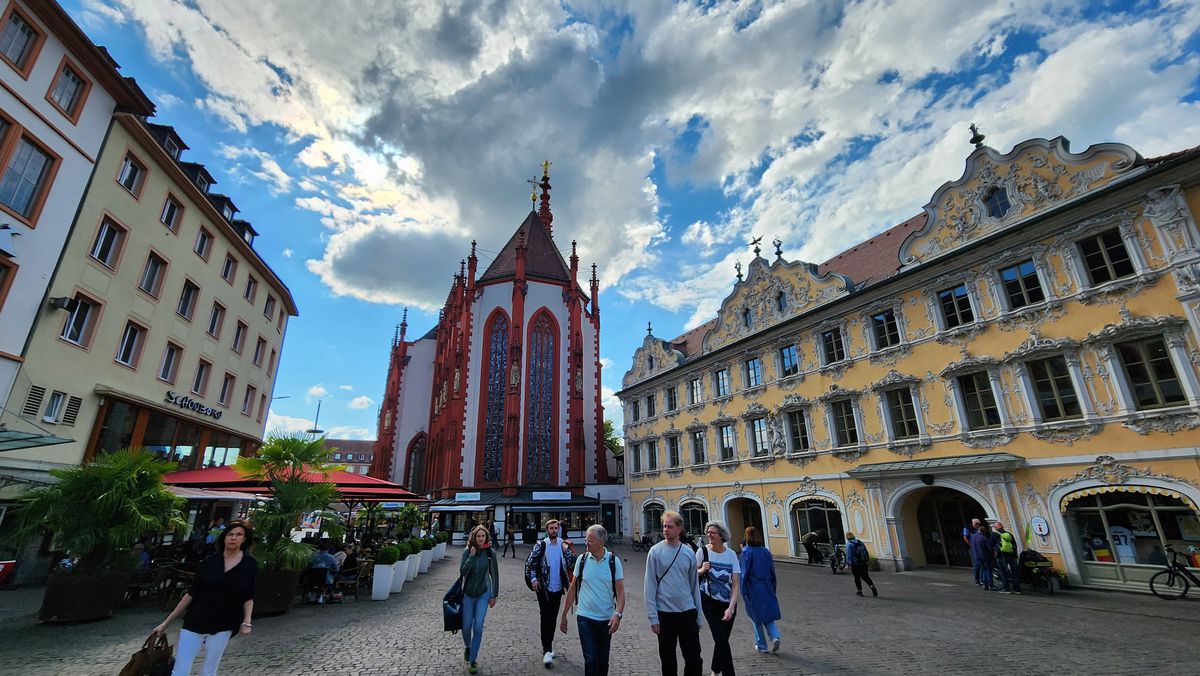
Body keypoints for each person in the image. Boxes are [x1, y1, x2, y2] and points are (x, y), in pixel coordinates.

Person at [154, 519, 256, 676]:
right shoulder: (210, 561)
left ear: (245, 539)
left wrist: (247, 622)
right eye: (230, 534)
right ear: (224, 537)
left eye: (238, 534)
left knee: (209, 670)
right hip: (196, 619)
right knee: (180, 671)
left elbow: (248, 595)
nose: (233, 538)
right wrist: (166, 623)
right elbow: (191, 593)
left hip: (224, 622)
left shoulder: (249, 564)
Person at [559, 524, 625, 676]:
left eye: (590, 540)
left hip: (606, 619)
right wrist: (563, 615)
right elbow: (573, 588)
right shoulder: (582, 560)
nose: (586, 543)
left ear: (601, 542)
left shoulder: (614, 562)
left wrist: (618, 614)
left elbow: (621, 592)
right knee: (591, 660)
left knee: (603, 661)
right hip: (585, 617)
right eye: (586, 539)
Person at [644, 510, 704, 676]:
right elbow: (649, 586)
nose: (666, 530)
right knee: (668, 661)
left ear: (679, 529)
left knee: (694, 659)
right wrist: (652, 616)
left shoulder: (688, 553)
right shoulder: (655, 552)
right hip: (665, 614)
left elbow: (694, 586)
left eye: (669, 526)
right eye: (664, 526)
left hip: (687, 612)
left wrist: (699, 615)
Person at [526, 519, 576, 668]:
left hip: (558, 588)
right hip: (543, 588)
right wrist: (534, 579)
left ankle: (549, 646)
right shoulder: (541, 545)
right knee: (545, 616)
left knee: (553, 617)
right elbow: (530, 563)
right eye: (551, 528)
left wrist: (567, 550)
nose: (554, 530)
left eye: (556, 528)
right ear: (547, 530)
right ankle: (546, 649)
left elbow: (572, 564)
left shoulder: (562, 545)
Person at [697, 521, 739, 676]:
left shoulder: (731, 555)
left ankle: (715, 670)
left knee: (722, 640)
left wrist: (731, 607)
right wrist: (701, 570)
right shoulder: (702, 552)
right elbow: (690, 574)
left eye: (712, 532)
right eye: (707, 532)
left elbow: (735, 585)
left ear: (721, 536)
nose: (709, 535)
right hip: (708, 600)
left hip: (728, 603)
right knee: (721, 639)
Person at [459, 524, 499, 675]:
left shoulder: (490, 553)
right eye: (478, 536)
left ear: (486, 537)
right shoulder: (468, 551)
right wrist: (471, 555)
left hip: (483, 593)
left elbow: (494, 574)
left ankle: (473, 660)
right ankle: (468, 647)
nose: (481, 539)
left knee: (478, 626)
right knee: (466, 627)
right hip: (468, 594)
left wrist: (494, 594)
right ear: (474, 538)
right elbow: (462, 572)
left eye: (483, 536)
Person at [739, 526, 781, 654]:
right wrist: (773, 587)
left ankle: (761, 645)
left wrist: (742, 589)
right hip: (767, 585)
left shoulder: (747, 551)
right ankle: (774, 637)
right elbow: (772, 571)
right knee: (768, 616)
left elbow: (744, 573)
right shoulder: (765, 551)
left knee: (755, 617)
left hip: (753, 587)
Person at [993, 522, 1021, 595]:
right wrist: (1015, 555)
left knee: (1003, 572)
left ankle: (1006, 589)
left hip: (1002, 556)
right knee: (1015, 572)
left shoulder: (995, 535)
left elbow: (990, 545)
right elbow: (1015, 545)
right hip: (1012, 555)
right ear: (1003, 527)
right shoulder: (1009, 534)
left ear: (996, 528)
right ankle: (1017, 589)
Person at [970, 523, 996, 591]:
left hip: (977, 556)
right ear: (984, 531)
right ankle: (990, 584)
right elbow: (988, 548)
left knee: (983, 569)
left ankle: (985, 584)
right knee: (988, 570)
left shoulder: (973, 537)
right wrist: (992, 554)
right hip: (985, 556)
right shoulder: (983, 538)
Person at [964, 518, 982, 585]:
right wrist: (971, 545)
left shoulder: (979, 528)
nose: (977, 525)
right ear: (973, 523)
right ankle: (977, 579)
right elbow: (965, 537)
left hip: (980, 547)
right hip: (973, 547)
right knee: (976, 563)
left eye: (978, 524)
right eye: (976, 524)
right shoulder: (967, 528)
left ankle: (982, 579)